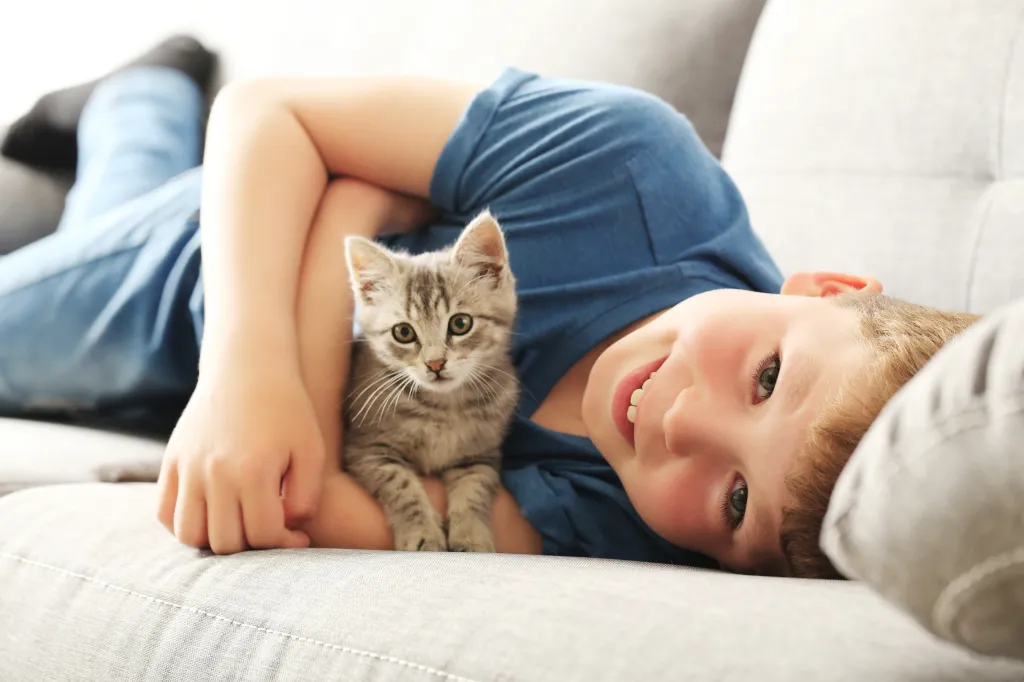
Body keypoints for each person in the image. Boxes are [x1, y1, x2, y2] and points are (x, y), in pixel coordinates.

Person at [0, 36, 979, 578]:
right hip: (218, 263)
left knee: (86, 248)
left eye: (734, 499)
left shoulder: (623, 517)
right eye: (768, 379)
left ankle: (139, 98)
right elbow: (278, 118)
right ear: (828, 291)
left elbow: (331, 510)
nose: (684, 422)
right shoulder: (635, 172)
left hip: (296, 296)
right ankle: (148, 101)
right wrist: (254, 380)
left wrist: (361, 210)